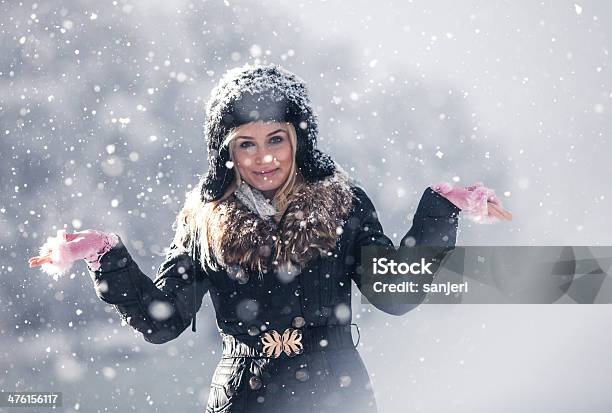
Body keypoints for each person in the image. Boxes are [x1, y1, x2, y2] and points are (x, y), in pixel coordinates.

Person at [29, 64, 511, 413]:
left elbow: (395, 294)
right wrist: (106, 257)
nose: (264, 158)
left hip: (336, 394)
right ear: (227, 152)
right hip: (242, 399)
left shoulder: (345, 205)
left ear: (299, 139)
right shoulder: (202, 221)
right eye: (246, 144)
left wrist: (440, 209)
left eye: (275, 139)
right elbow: (164, 321)